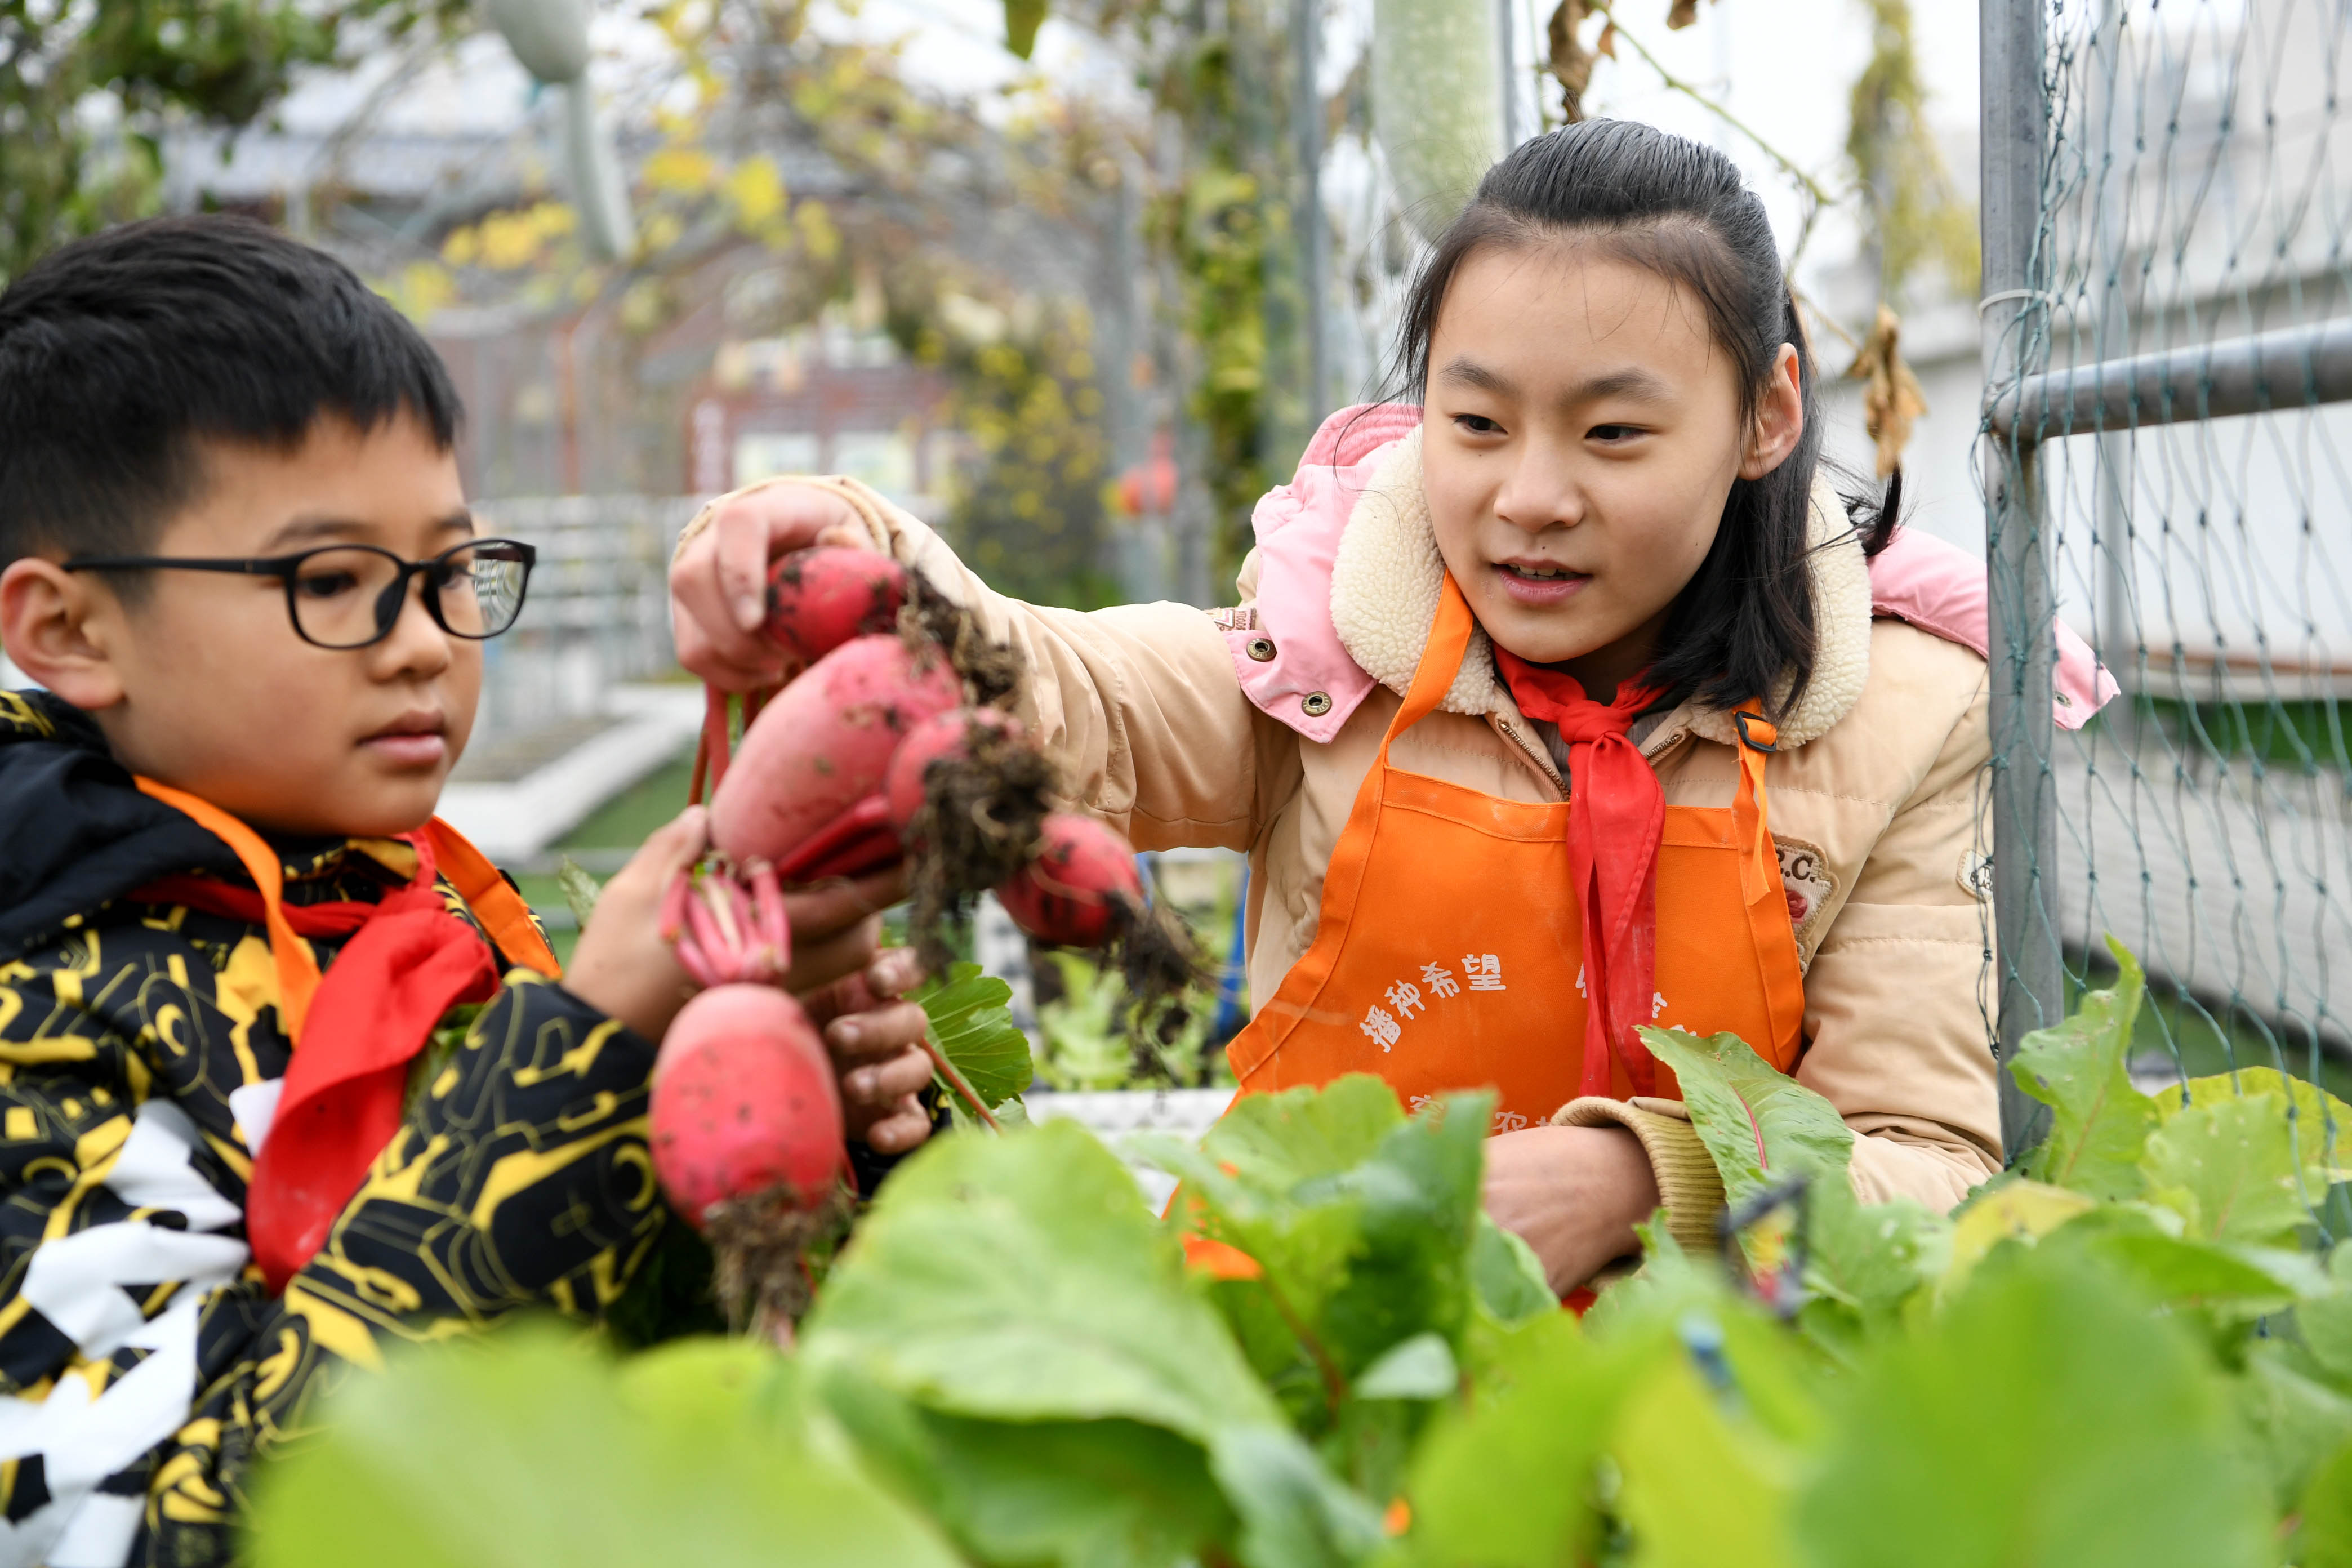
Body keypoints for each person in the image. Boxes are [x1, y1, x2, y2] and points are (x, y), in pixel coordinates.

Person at [669, 122, 2113, 1297]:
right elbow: (1072, 692)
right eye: (1475, 424)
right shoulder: (1327, 659)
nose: (1528, 497)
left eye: (1613, 433)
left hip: (1695, 1430)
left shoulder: (1906, 719)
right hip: (1293, 1352)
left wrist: (1638, 1182)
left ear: (1768, 418)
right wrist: (843, 548)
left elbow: (1928, 1164)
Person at [0, 215, 938, 1567]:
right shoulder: (43, 1002)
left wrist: (771, 1124)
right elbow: (157, 1534)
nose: (427, 645)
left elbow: (587, 1398)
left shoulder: (405, 907)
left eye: (450, 575)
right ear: (72, 629)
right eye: (333, 582)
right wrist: (589, 1050)